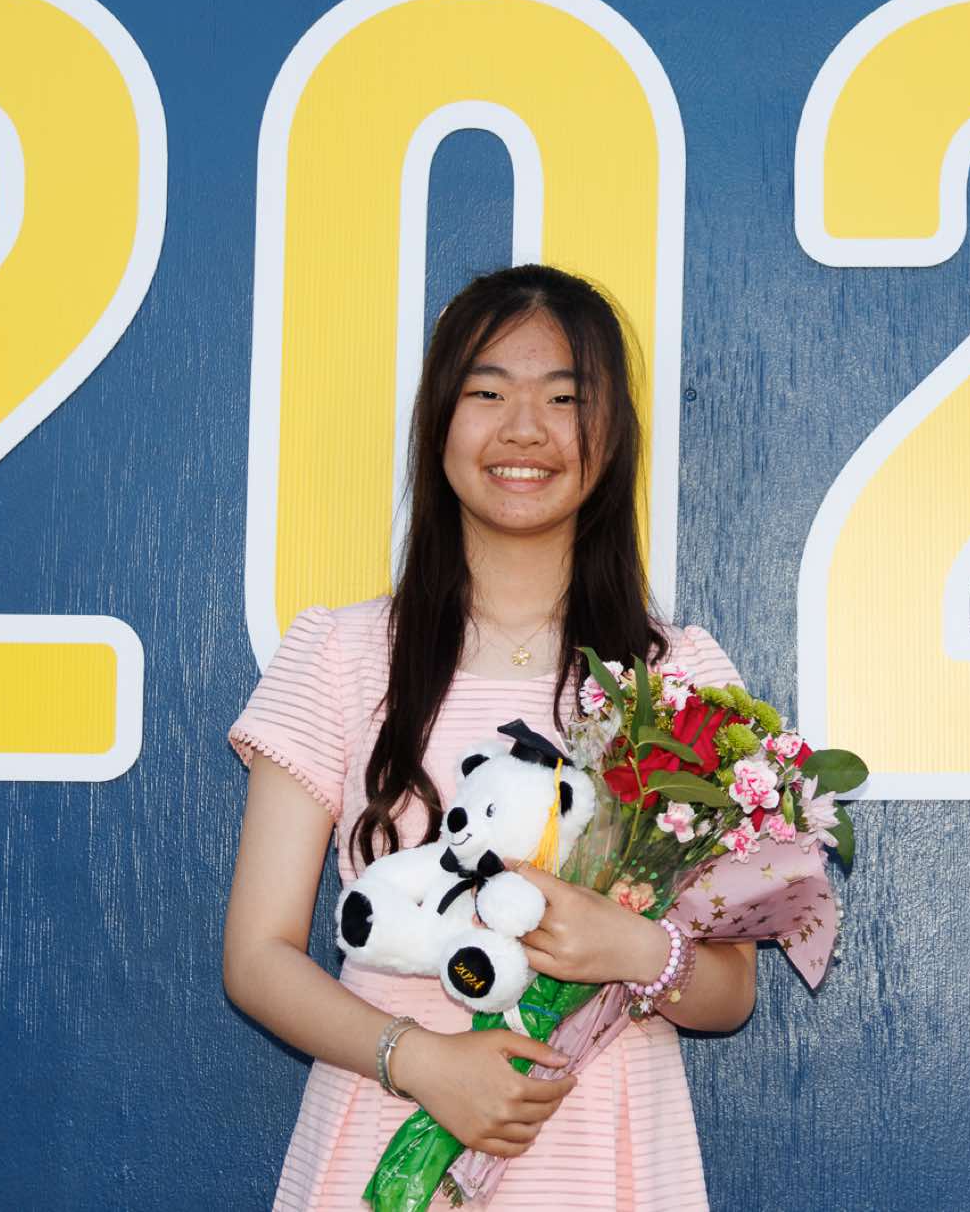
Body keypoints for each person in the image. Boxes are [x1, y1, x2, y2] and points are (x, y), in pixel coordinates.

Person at [223, 264, 755, 1210]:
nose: (524, 429)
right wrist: (423, 1061)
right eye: (487, 392)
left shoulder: (679, 678)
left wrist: (630, 946)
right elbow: (257, 955)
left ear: (612, 437)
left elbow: (731, 991)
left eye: (565, 397)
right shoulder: (340, 654)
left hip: (604, 1153)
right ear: (439, 423)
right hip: (386, 1132)